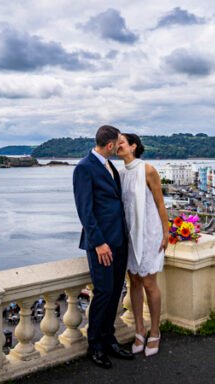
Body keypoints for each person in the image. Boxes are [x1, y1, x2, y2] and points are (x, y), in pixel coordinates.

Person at [73, 125, 134, 369]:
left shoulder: (110, 167)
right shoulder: (84, 168)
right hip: (102, 244)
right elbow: (85, 211)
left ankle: (109, 339)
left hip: (119, 240)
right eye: (118, 143)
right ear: (109, 146)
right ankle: (95, 345)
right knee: (103, 293)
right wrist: (98, 243)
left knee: (115, 291)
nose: (120, 146)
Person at [116, 133, 170, 357]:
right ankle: (139, 329)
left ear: (133, 146)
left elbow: (159, 203)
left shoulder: (148, 170)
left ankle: (155, 331)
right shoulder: (118, 174)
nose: (117, 145)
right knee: (134, 282)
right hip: (129, 235)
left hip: (149, 232)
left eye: (121, 142)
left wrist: (166, 232)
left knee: (149, 282)